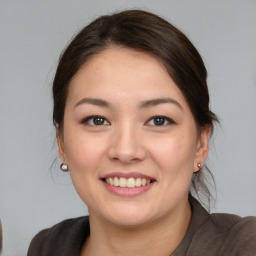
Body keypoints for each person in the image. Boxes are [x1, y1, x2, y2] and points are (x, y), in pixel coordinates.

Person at [27, 9, 256, 256]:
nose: (126, 151)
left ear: (200, 144)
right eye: (97, 120)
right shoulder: (48, 247)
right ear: (62, 143)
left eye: (158, 120)